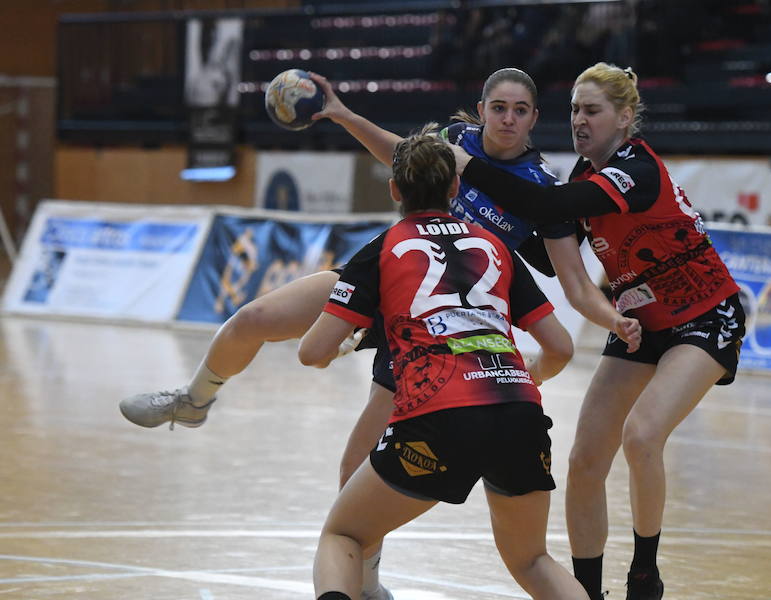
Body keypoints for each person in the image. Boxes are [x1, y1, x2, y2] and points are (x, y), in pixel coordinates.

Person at [119, 66, 639, 600]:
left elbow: (573, 286)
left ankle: (362, 581)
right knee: (254, 319)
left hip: (448, 330)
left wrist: (610, 318)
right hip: (397, 280)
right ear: (480, 110)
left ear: (533, 120)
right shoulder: (453, 145)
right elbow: (403, 157)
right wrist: (343, 115)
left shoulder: (542, 189)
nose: (508, 118)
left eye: (520, 110)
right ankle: (194, 399)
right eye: (499, 107)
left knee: (356, 467)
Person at [449, 62, 747, 600]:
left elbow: (545, 206)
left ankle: (645, 575)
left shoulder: (636, 168)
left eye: (592, 111)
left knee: (642, 434)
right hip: (639, 320)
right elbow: (548, 244)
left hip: (705, 315)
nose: (579, 122)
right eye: (573, 112)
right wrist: (487, 222)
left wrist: (468, 164)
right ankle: (586, 592)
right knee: (585, 457)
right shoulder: (583, 180)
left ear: (624, 118)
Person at [300, 126, 587, 600]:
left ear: (394, 189)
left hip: (438, 416)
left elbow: (311, 352)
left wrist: (347, 341)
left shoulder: (382, 249)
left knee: (344, 535)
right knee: (533, 560)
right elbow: (560, 347)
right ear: (456, 187)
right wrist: (524, 374)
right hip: (518, 409)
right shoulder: (496, 247)